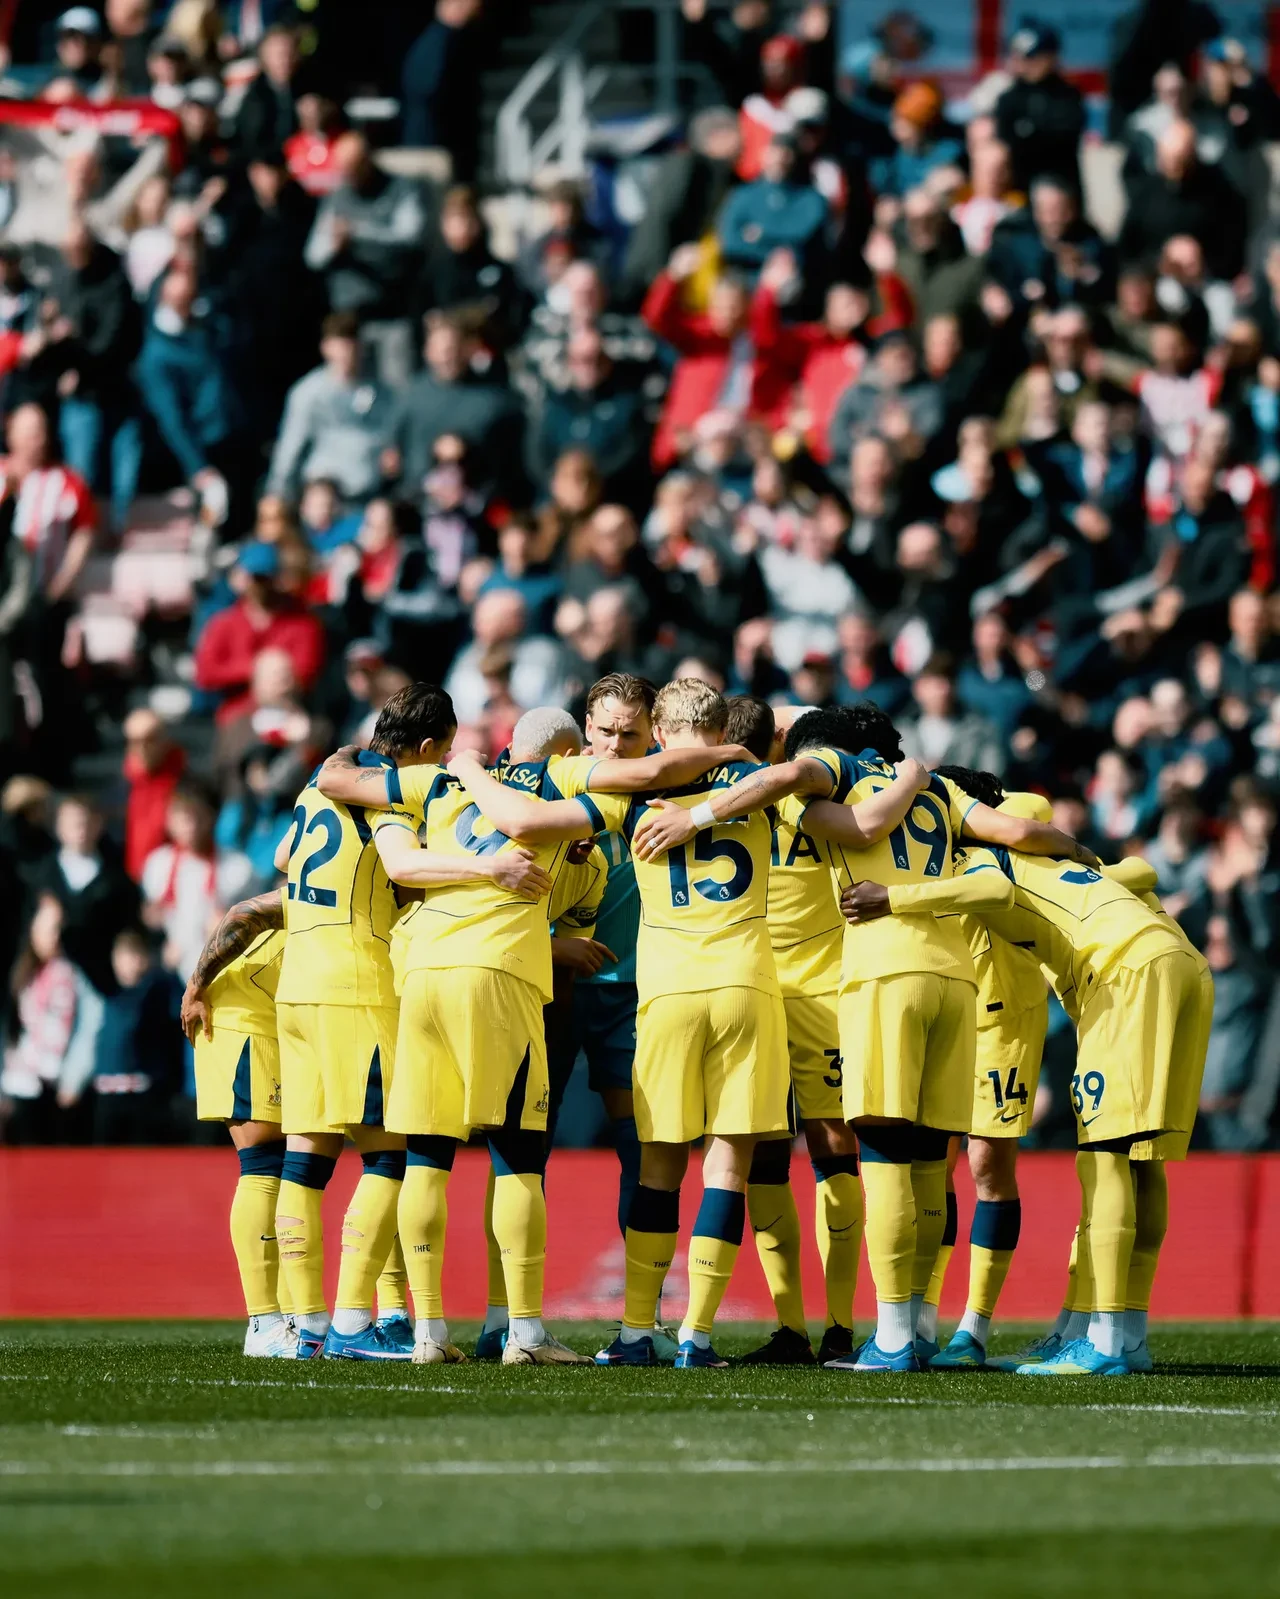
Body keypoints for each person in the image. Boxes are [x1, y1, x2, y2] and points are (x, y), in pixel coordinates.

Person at [629, 700, 1096, 1370]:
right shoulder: (935, 786)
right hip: (944, 980)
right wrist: (1084, 855)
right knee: (919, 1161)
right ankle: (898, 1323)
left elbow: (840, 812)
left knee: (856, 1157)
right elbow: (1019, 831)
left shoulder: (812, 777)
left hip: (859, 975)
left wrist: (703, 810)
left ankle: (877, 1332)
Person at [325, 682, 751, 1364]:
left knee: (427, 1155)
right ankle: (523, 1331)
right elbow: (643, 776)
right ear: (573, 742)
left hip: (425, 969)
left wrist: (449, 768)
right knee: (521, 1153)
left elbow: (339, 780)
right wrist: (737, 754)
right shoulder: (564, 775)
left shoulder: (439, 784)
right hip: (502, 972)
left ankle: (429, 1333)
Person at [842, 783, 1206, 1376]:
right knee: (1142, 1160)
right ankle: (1126, 1335)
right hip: (1180, 962)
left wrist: (895, 897)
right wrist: (1091, 859)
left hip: (1123, 975)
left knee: (1107, 1158)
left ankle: (1106, 1343)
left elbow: (992, 885)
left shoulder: (985, 855)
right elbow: (1139, 868)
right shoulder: (1051, 860)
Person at [728, 699, 864, 1368]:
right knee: (764, 1153)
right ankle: (794, 1327)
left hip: (817, 987)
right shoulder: (751, 796)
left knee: (831, 1144)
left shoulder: (806, 795)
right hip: (757, 988)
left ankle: (839, 1327)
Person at [180, 888, 297, 1356]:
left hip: (273, 1021)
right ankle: (264, 1322)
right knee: (264, 1164)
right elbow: (243, 912)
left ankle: (291, 1317)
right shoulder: (336, 874)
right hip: (239, 1019)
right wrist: (196, 984)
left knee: (290, 1169)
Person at [303, 133, 429, 388]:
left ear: (367, 161)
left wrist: (359, 234)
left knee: (397, 388)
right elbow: (313, 256)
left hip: (392, 313)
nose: (348, 176)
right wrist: (333, 246)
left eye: (353, 168)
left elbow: (411, 237)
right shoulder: (337, 197)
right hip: (349, 318)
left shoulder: (400, 189)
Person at [0, 893, 103, 1145]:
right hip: (20, 1086)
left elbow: (90, 1027)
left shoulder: (73, 976)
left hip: (57, 1090)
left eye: (59, 928)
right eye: (48, 928)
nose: (54, 936)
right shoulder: (20, 975)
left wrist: (74, 1078)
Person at [266, 311, 398, 504]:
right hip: (326, 498)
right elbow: (290, 447)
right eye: (340, 346)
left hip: (370, 494)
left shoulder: (381, 392)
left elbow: (389, 438)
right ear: (326, 348)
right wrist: (277, 493)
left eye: (351, 346)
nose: (346, 354)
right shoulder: (308, 393)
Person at [32, 794, 140, 998]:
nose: (80, 829)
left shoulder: (116, 877)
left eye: (86, 822)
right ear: (58, 827)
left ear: (99, 824)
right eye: (73, 823)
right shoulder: (43, 876)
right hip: (49, 982)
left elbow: (128, 925)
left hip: (99, 981)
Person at [90, 928, 184, 1146]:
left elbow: (177, 1009)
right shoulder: (106, 993)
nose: (128, 963)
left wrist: (170, 970)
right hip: (107, 1093)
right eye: (122, 956)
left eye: (134, 955)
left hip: (141, 1092)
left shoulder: (156, 989)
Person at [994, 20, 1085, 194]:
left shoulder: (1067, 95)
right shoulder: (1008, 98)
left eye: (1030, 57)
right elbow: (1005, 141)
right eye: (1017, 56)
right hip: (1019, 189)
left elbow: (1062, 139)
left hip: (1061, 189)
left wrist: (1029, 132)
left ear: (1051, 58)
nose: (1022, 64)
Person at [400, 0, 485, 180]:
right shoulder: (445, 42)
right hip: (437, 143)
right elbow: (431, 89)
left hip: (428, 139)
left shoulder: (430, 40)